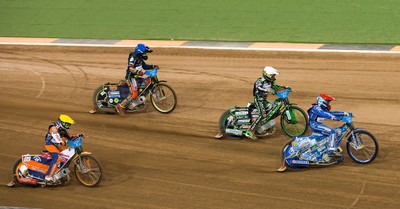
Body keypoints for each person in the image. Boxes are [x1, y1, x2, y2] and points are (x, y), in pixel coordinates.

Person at [116, 43, 158, 117]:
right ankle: (120, 106)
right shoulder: (133, 57)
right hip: (131, 77)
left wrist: (153, 66)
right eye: (144, 53)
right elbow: (131, 68)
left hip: (137, 77)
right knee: (134, 94)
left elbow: (145, 66)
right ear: (140, 52)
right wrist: (139, 72)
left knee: (145, 84)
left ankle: (138, 102)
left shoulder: (140, 57)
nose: (146, 55)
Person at [245, 66, 282, 140]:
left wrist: (284, 87)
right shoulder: (260, 81)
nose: (274, 77)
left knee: (273, 110)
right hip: (258, 100)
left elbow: (274, 87)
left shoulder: (270, 81)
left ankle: (264, 126)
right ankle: (250, 131)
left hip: (264, 100)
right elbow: (259, 87)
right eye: (273, 75)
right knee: (263, 114)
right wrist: (267, 90)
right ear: (267, 75)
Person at [44, 114, 80, 182]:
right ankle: (49, 176)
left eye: (69, 125)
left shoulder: (63, 130)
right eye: (67, 124)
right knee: (57, 158)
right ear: (61, 123)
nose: (68, 126)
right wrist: (61, 142)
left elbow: (70, 137)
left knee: (66, 155)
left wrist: (78, 136)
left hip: (56, 146)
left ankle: (59, 171)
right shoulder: (53, 128)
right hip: (50, 145)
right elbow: (56, 136)